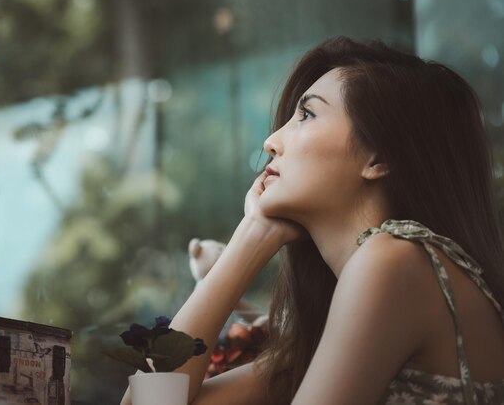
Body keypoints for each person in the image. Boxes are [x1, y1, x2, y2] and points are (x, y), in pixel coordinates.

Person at [120, 36, 504, 404]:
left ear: (378, 158)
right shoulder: (372, 292)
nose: (272, 141)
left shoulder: (394, 263)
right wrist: (251, 235)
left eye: (306, 114)